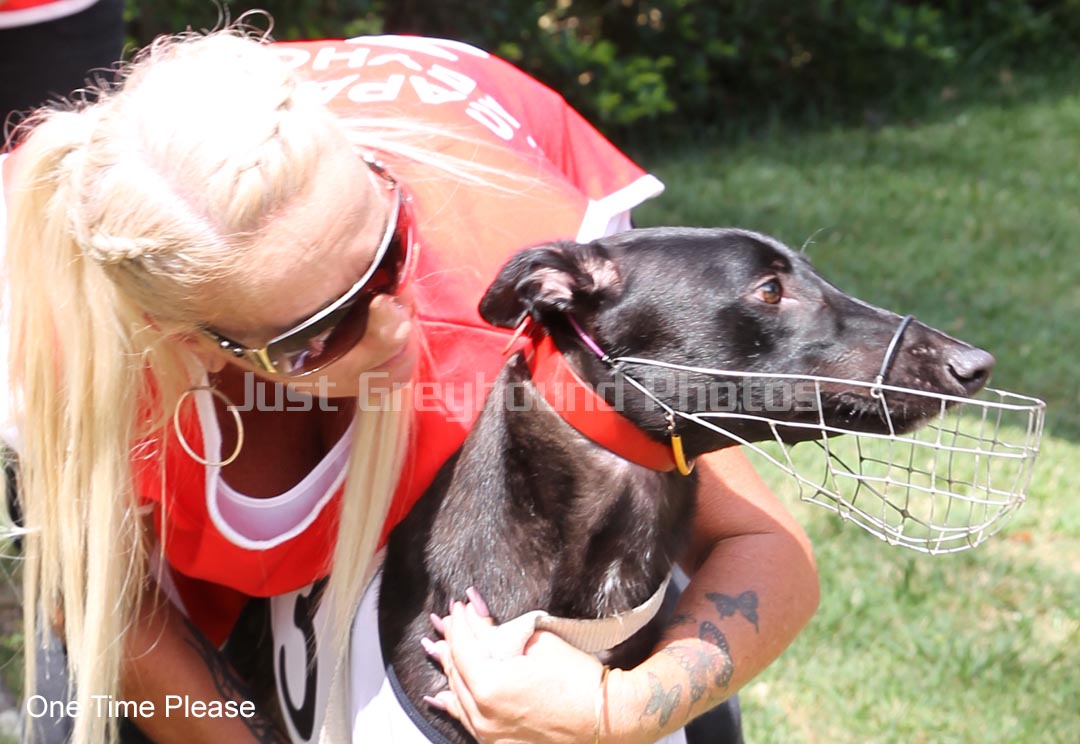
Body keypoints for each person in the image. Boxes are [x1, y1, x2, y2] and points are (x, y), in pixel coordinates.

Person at [0, 29, 819, 744]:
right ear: (192, 345)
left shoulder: (514, 277)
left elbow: (762, 545)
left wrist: (626, 708)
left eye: (390, 252)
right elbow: (108, 605)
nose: (396, 325)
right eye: (322, 331)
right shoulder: (71, 343)